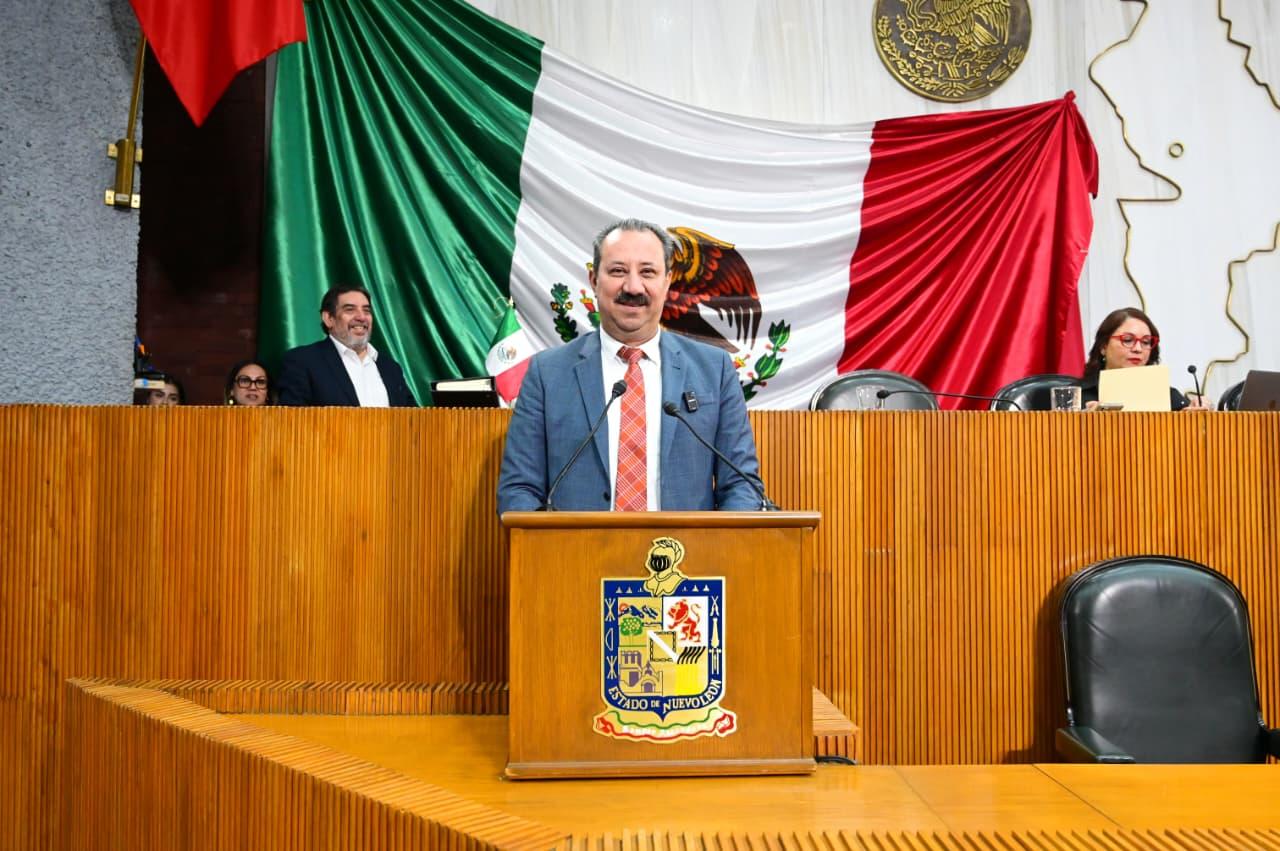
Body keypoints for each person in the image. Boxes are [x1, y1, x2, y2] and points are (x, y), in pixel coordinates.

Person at [497, 218, 765, 513]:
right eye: (617, 271)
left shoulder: (714, 370)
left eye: (648, 272)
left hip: (686, 556)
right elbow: (519, 488)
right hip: (578, 556)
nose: (633, 287)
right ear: (594, 280)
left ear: (667, 282)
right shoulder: (546, 374)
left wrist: (716, 551)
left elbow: (742, 486)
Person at [276, 284, 417, 407]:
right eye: (350, 310)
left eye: (366, 310)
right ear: (329, 318)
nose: (361, 317)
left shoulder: (390, 368)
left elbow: (411, 421)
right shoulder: (303, 361)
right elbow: (293, 424)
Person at [1080, 307, 1209, 411]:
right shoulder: (1077, 396)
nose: (1138, 349)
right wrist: (1087, 423)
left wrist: (1198, 418)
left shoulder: (1168, 397)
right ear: (1103, 346)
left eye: (1146, 342)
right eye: (1127, 340)